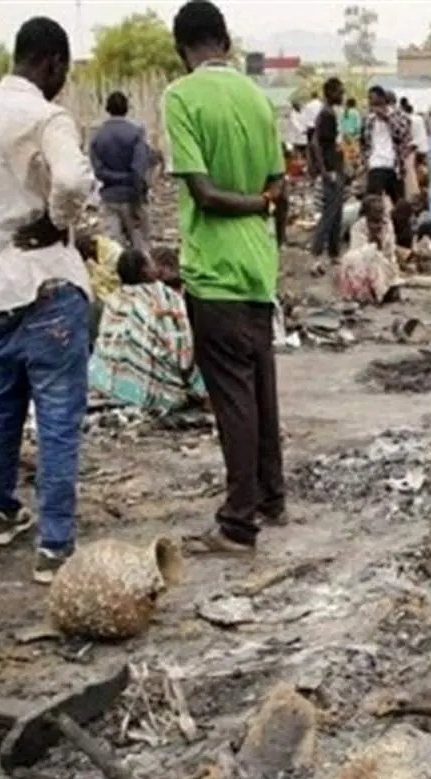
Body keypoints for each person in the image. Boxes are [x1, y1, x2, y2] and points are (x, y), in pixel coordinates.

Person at [0, 16, 94, 583]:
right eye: (63, 71)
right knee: (57, 415)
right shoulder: (46, 116)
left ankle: (0, 512)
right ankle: (55, 545)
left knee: (4, 404)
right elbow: (74, 181)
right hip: (50, 284)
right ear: (52, 62)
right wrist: (57, 223)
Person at [163, 0, 287, 555]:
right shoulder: (257, 98)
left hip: (214, 270)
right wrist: (262, 207)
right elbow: (278, 188)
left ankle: (238, 522)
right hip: (258, 265)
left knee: (233, 396)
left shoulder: (181, 97)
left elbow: (204, 194)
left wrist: (251, 203)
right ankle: (270, 495)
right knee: (260, 386)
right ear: (226, 42)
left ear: (181, 48)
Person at [89, 248, 206, 413]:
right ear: (145, 271)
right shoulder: (164, 298)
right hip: (151, 388)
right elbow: (182, 350)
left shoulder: (115, 299)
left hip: (105, 382)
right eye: (151, 262)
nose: (155, 266)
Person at [89, 90, 152, 252]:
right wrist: (139, 198)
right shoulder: (136, 133)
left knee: (114, 246)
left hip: (108, 195)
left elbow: (97, 170)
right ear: (127, 108)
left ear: (107, 109)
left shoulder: (97, 135)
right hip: (131, 195)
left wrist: (113, 178)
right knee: (140, 245)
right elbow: (139, 169)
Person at [335, 194, 398, 305]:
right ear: (367, 212)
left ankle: (381, 292)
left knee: (378, 265)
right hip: (362, 268)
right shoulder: (357, 227)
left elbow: (390, 252)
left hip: (385, 265)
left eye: (381, 210)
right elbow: (356, 252)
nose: (381, 214)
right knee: (351, 260)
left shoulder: (387, 225)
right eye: (377, 211)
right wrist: (372, 241)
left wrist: (378, 244)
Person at [310, 77, 345, 266]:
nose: (342, 95)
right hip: (331, 168)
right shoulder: (326, 115)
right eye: (340, 91)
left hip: (336, 167)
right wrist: (324, 170)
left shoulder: (330, 113)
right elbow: (316, 144)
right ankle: (316, 249)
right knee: (330, 211)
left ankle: (334, 252)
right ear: (331, 93)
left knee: (337, 211)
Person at [359, 85, 411, 205]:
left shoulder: (398, 115)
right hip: (375, 165)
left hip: (394, 166)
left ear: (382, 98)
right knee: (372, 202)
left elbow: (403, 134)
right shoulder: (368, 119)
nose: (370, 101)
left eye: (372, 98)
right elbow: (363, 141)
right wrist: (365, 160)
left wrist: (387, 118)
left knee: (399, 203)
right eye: (369, 98)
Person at [340, 96, 362, 171]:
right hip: (353, 136)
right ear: (354, 104)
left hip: (345, 137)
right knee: (355, 156)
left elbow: (340, 125)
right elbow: (358, 125)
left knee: (347, 156)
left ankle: (348, 172)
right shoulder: (355, 112)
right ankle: (355, 173)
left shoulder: (343, 112)